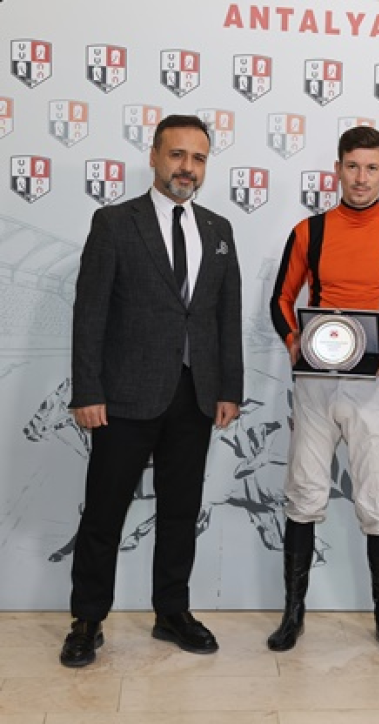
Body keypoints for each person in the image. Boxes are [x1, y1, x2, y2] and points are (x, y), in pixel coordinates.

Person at [60, 115, 243, 667]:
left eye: (198, 158)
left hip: (195, 396)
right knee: (104, 513)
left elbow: (225, 316)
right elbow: (89, 313)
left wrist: (229, 388)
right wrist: (87, 391)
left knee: (181, 511)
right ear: (155, 157)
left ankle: (172, 612)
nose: (187, 167)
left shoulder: (218, 229)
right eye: (177, 154)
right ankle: (87, 620)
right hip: (122, 397)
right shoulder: (115, 223)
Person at [269, 126, 379, 656]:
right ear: (337, 169)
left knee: (378, 502)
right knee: (304, 495)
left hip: (371, 387)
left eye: (371, 168)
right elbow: (281, 298)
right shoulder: (308, 231)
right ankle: (293, 616)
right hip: (315, 382)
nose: (361, 178)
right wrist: (292, 339)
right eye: (352, 166)